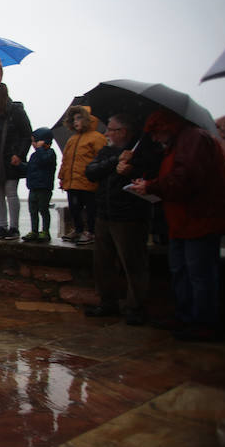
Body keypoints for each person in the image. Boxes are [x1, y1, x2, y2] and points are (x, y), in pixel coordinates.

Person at [129, 110, 225, 341]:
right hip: (182, 220)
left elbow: (185, 178)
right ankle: (185, 316)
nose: (154, 139)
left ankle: (204, 323)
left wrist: (152, 186)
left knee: (200, 274)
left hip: (200, 219)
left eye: (155, 133)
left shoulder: (194, 139)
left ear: (166, 126)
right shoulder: (179, 143)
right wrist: (151, 183)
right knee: (182, 270)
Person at [84, 112, 160, 323]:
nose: (106, 133)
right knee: (102, 263)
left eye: (110, 129)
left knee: (133, 263)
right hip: (104, 214)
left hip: (129, 216)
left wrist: (131, 169)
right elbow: (91, 172)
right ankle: (107, 302)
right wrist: (115, 161)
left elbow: (153, 174)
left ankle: (135, 307)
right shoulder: (108, 151)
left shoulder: (144, 151)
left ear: (123, 132)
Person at [0, 83, 31, 241]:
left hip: (12, 157)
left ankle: (14, 228)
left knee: (11, 191)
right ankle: (2, 226)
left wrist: (19, 154)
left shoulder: (16, 111)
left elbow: (27, 134)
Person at [58, 104, 106, 245]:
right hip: (72, 182)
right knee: (74, 208)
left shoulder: (97, 138)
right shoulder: (72, 139)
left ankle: (91, 232)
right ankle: (78, 230)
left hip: (88, 182)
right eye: (73, 119)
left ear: (87, 119)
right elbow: (65, 160)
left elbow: (101, 159)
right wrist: (62, 177)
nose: (75, 122)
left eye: (79, 118)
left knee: (91, 209)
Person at [21, 127, 57, 242]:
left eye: (35, 141)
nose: (33, 144)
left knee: (43, 209)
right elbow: (29, 168)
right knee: (33, 210)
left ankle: (45, 231)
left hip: (44, 188)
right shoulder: (34, 155)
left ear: (43, 141)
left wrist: (41, 148)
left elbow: (44, 161)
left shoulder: (50, 153)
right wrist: (19, 165)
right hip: (33, 187)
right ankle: (34, 230)